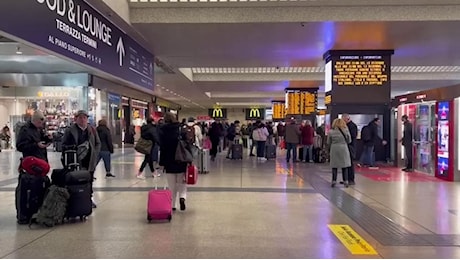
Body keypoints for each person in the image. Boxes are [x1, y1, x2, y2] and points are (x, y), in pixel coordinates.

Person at [62, 110, 101, 208]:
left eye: (84, 118)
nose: (83, 120)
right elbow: (63, 145)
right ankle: (75, 199)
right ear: (76, 119)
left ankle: (88, 199)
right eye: (80, 117)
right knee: (76, 179)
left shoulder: (91, 129)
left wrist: (95, 153)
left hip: (89, 160)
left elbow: (98, 143)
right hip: (75, 160)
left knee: (89, 180)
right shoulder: (70, 130)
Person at [158, 112, 188, 211]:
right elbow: (186, 145)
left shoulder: (162, 130)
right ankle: (182, 197)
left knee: (171, 185)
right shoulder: (181, 129)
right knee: (182, 182)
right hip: (181, 159)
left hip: (169, 161)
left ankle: (172, 205)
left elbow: (162, 148)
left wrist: (161, 163)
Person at [328, 118, 352, 188]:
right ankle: (346, 181)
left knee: (334, 166)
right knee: (344, 166)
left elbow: (328, 142)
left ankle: (334, 181)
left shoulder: (331, 132)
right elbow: (349, 140)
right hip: (343, 148)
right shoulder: (346, 131)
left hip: (334, 148)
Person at [342, 114, 358, 185]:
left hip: (350, 146)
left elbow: (353, 136)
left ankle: (351, 179)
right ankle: (346, 178)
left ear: (347, 118)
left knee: (350, 163)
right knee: (345, 163)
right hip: (347, 146)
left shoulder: (352, 126)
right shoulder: (346, 126)